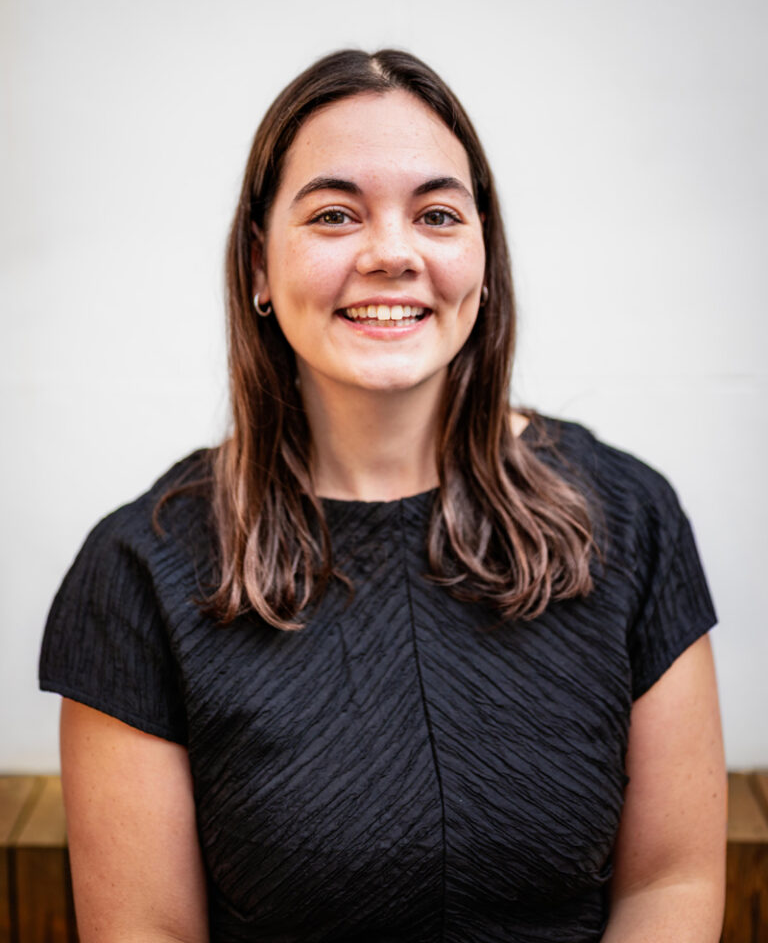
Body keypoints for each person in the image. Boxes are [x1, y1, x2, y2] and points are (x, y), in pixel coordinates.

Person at [39, 49, 726, 942]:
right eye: (334, 214)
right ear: (257, 265)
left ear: (484, 258)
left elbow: (671, 882)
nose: (393, 254)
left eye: (437, 214)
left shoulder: (631, 519)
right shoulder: (139, 572)